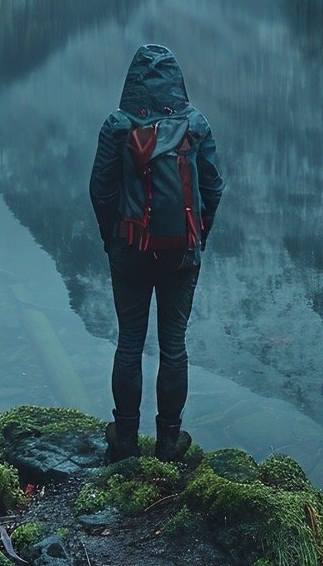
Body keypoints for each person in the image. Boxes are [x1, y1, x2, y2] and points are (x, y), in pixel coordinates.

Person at [89, 43, 224, 463]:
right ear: (177, 83)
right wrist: (197, 236)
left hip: (129, 249)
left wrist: (113, 238)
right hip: (181, 255)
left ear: (131, 83)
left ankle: (125, 440)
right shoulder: (195, 125)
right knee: (174, 347)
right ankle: (168, 443)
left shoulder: (117, 126)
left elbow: (100, 190)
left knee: (129, 344)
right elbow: (214, 187)